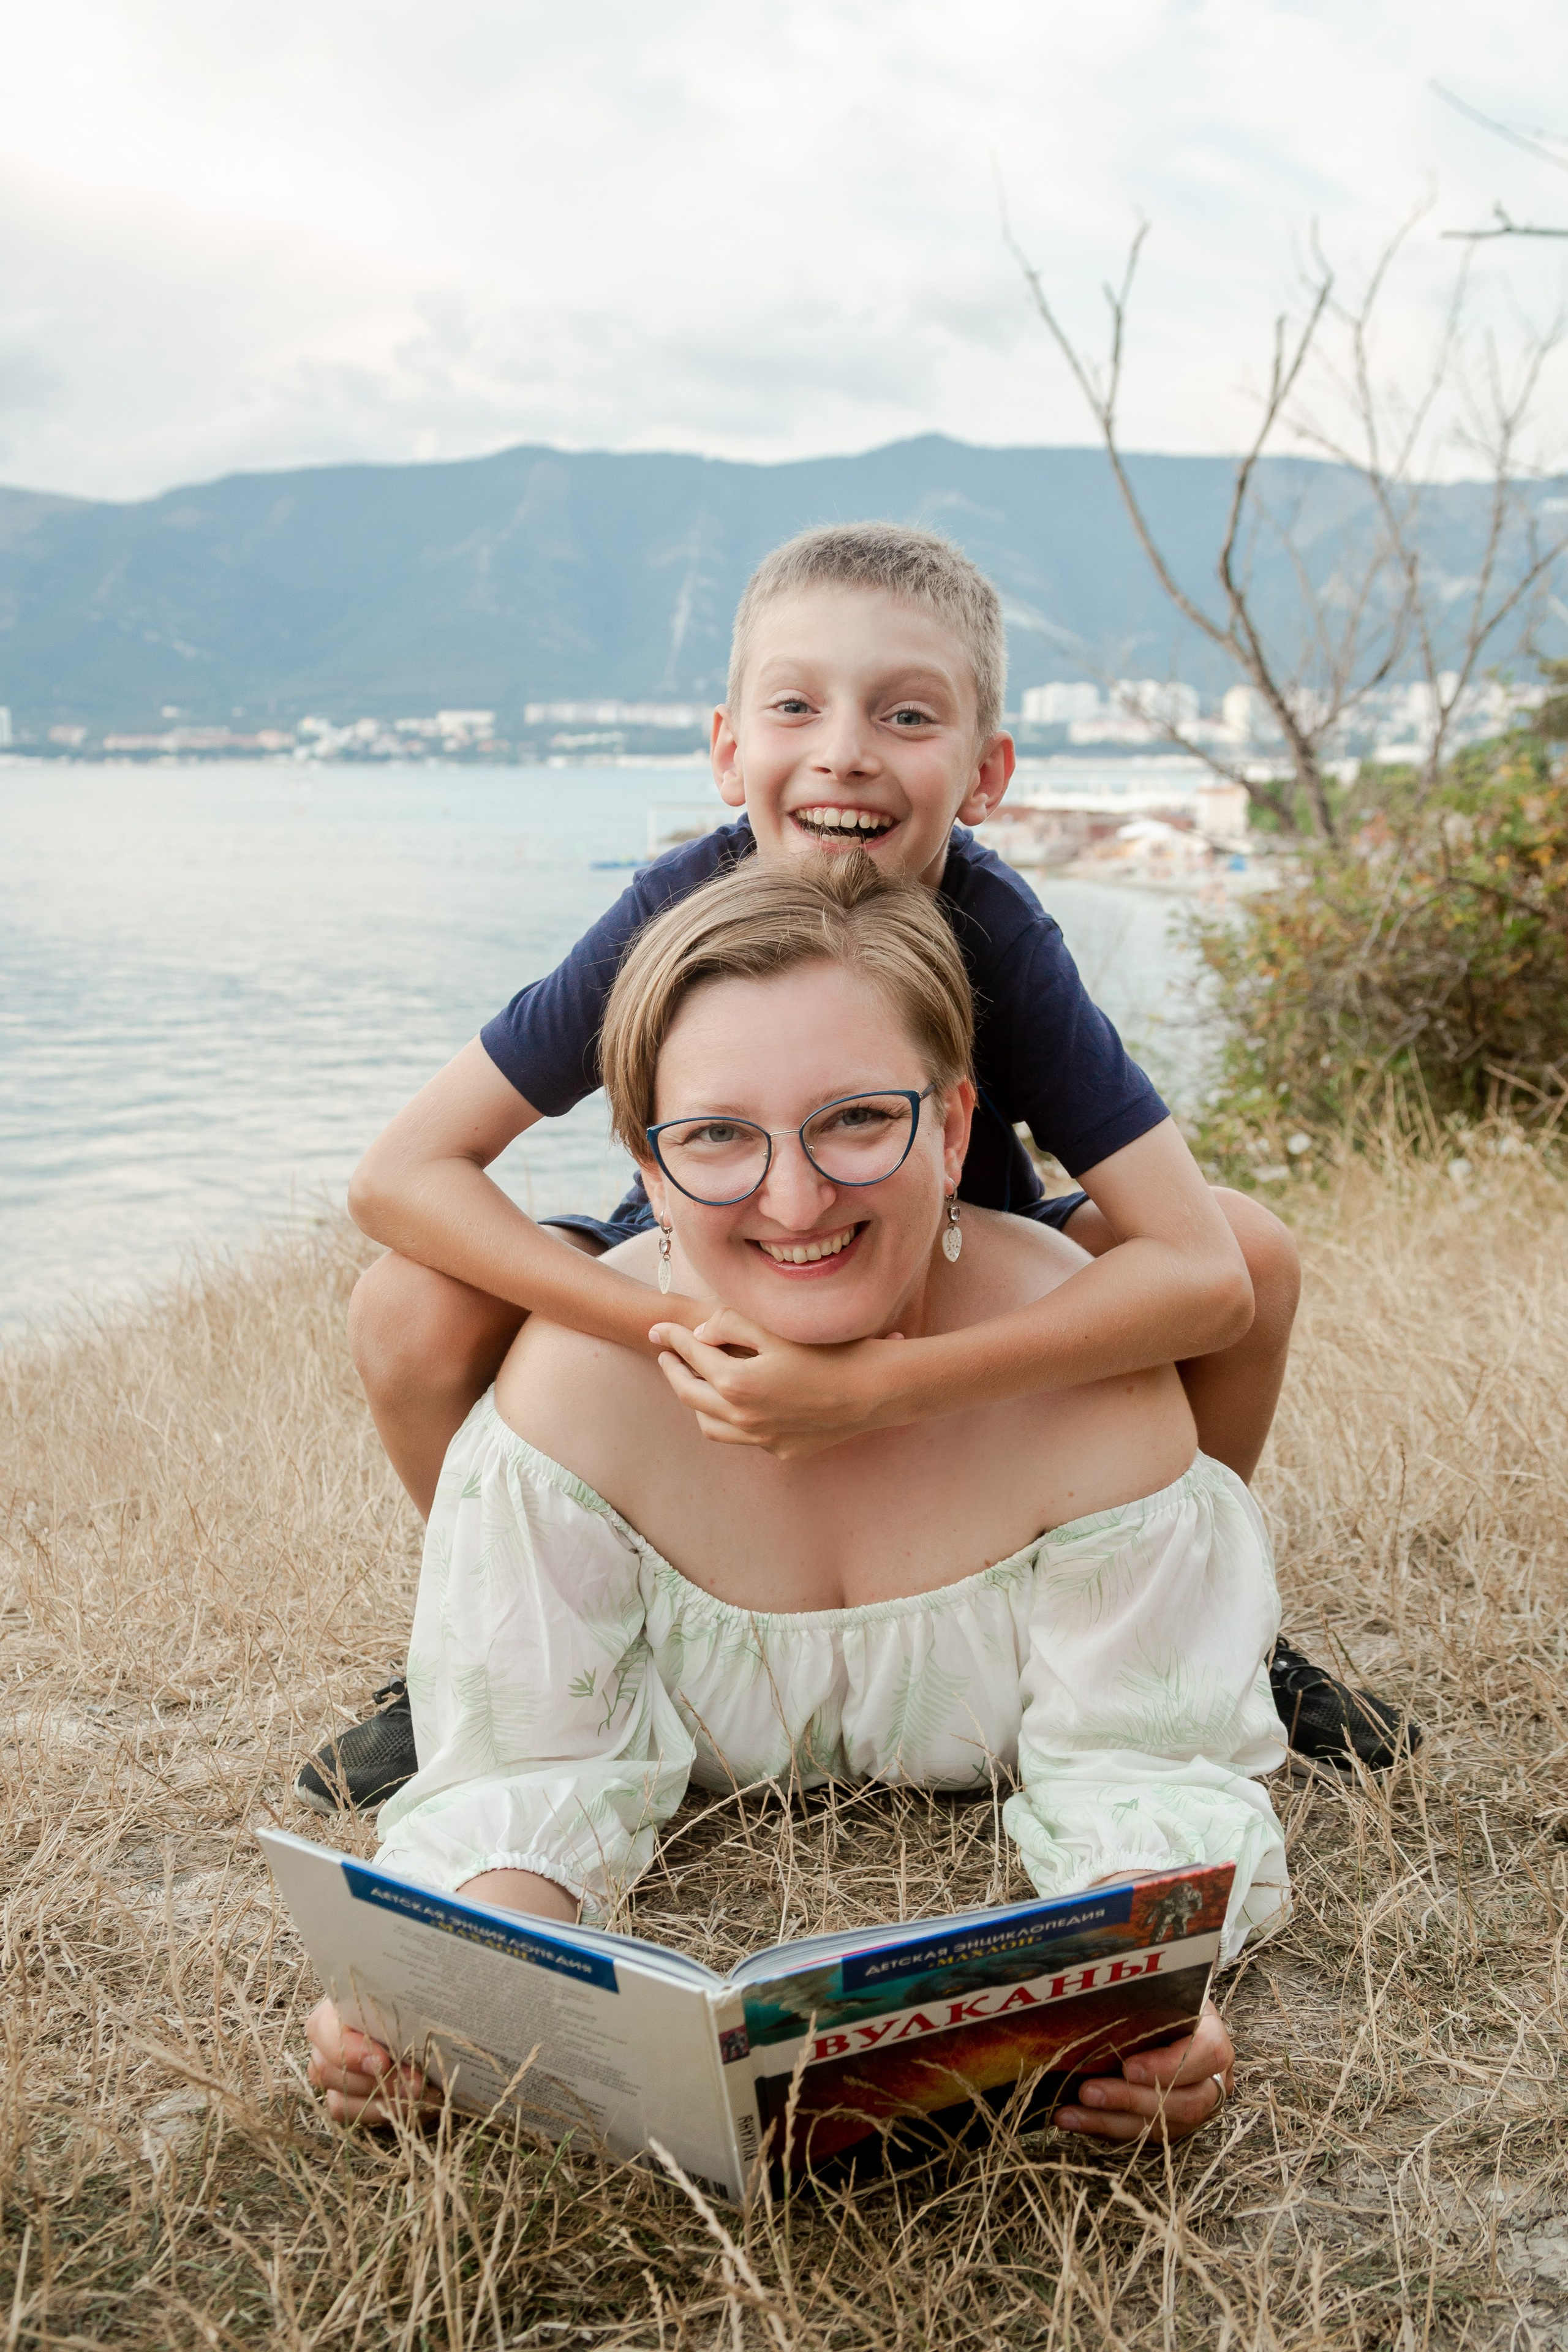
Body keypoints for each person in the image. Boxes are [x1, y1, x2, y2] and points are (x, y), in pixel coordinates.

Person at [296, 523, 1415, 1814]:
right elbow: (401, 1175)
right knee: (405, 1304)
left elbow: (1210, 1277)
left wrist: (893, 1384)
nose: (841, 750)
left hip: (945, 1258)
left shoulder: (993, 933)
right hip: (709, 1255)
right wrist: (671, 1320)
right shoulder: (672, 916)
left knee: (1255, 1247)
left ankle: (1204, 1629)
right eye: (795, 706)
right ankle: (484, 1646)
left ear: (985, 772)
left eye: (902, 714)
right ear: (727, 748)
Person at [306, 853, 1289, 2147]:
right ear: (645, 1169)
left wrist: (1150, 2009)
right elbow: (527, 1769)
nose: (791, 1197)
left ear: (949, 1130)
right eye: (715, 1135)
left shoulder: (1087, 1387)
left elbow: (1143, 1770)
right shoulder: (571, 1405)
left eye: (856, 1120)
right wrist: (460, 1981)